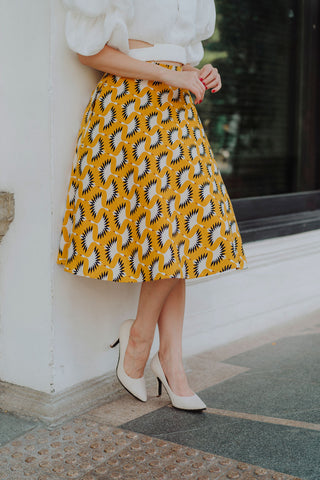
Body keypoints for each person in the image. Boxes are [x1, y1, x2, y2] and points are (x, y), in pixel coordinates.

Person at [57, 0, 248, 411]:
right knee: (173, 232)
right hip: (130, 108)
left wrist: (197, 73)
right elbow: (88, 51)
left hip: (176, 109)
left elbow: (182, 53)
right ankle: (150, 349)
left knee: (184, 229)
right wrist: (166, 74)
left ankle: (157, 351)